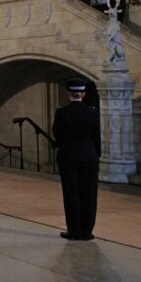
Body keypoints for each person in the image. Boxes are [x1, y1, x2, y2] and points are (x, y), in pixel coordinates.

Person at [52, 78, 101, 241]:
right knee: (89, 193)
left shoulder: (61, 112)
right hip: (89, 157)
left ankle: (74, 231)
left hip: (68, 156)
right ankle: (87, 232)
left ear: (68, 94)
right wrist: (95, 154)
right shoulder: (93, 112)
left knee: (71, 193)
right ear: (83, 94)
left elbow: (57, 135)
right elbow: (96, 137)